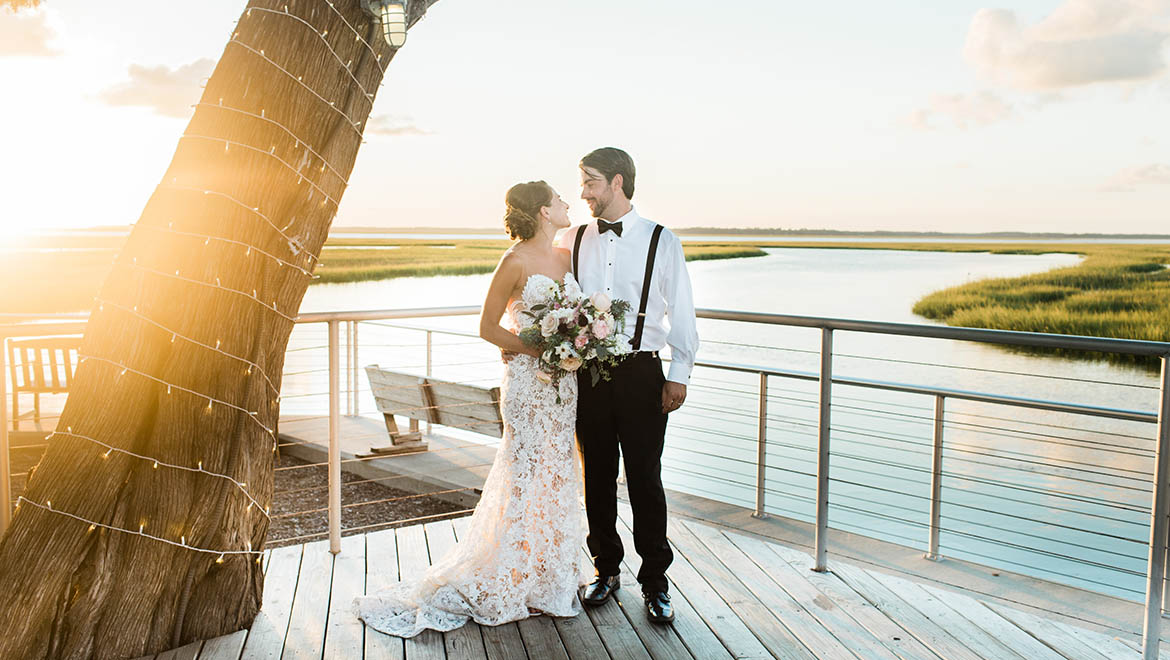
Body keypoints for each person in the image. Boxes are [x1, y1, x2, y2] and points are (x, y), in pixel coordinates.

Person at [353, 181, 590, 636]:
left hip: (565, 385)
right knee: (524, 472)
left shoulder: (565, 256)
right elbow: (486, 326)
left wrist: (575, 344)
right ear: (543, 211)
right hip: (528, 384)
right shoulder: (514, 261)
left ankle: (549, 574)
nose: (567, 204)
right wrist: (533, 348)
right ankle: (510, 574)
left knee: (557, 470)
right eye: (559, 199)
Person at [563, 147, 699, 624]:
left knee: (646, 480)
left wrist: (678, 374)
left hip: (643, 374)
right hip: (589, 377)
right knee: (596, 477)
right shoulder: (574, 237)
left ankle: (655, 581)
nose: (584, 193)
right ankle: (605, 568)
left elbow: (681, 309)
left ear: (617, 182)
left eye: (591, 182)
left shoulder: (663, 240)